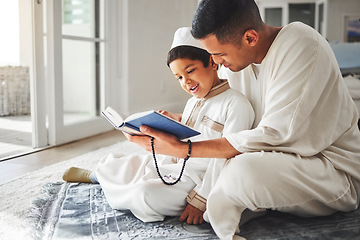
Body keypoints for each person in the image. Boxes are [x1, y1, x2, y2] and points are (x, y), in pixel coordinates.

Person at [126, 0, 360, 239]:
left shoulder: (301, 44)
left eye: (218, 54)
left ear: (250, 38)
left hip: (330, 172)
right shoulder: (238, 61)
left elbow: (276, 134)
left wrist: (185, 149)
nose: (216, 63)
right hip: (270, 158)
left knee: (240, 170)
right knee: (184, 165)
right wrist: (175, 123)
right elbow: (225, 110)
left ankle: (224, 215)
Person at [63, 27, 255, 225]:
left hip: (196, 181)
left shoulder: (236, 104)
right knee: (119, 163)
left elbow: (228, 157)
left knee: (143, 194)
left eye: (190, 71)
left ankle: (111, 183)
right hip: (171, 165)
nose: (186, 82)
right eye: (179, 77)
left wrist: (200, 199)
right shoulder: (194, 101)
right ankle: (100, 176)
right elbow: (194, 131)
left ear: (212, 62)